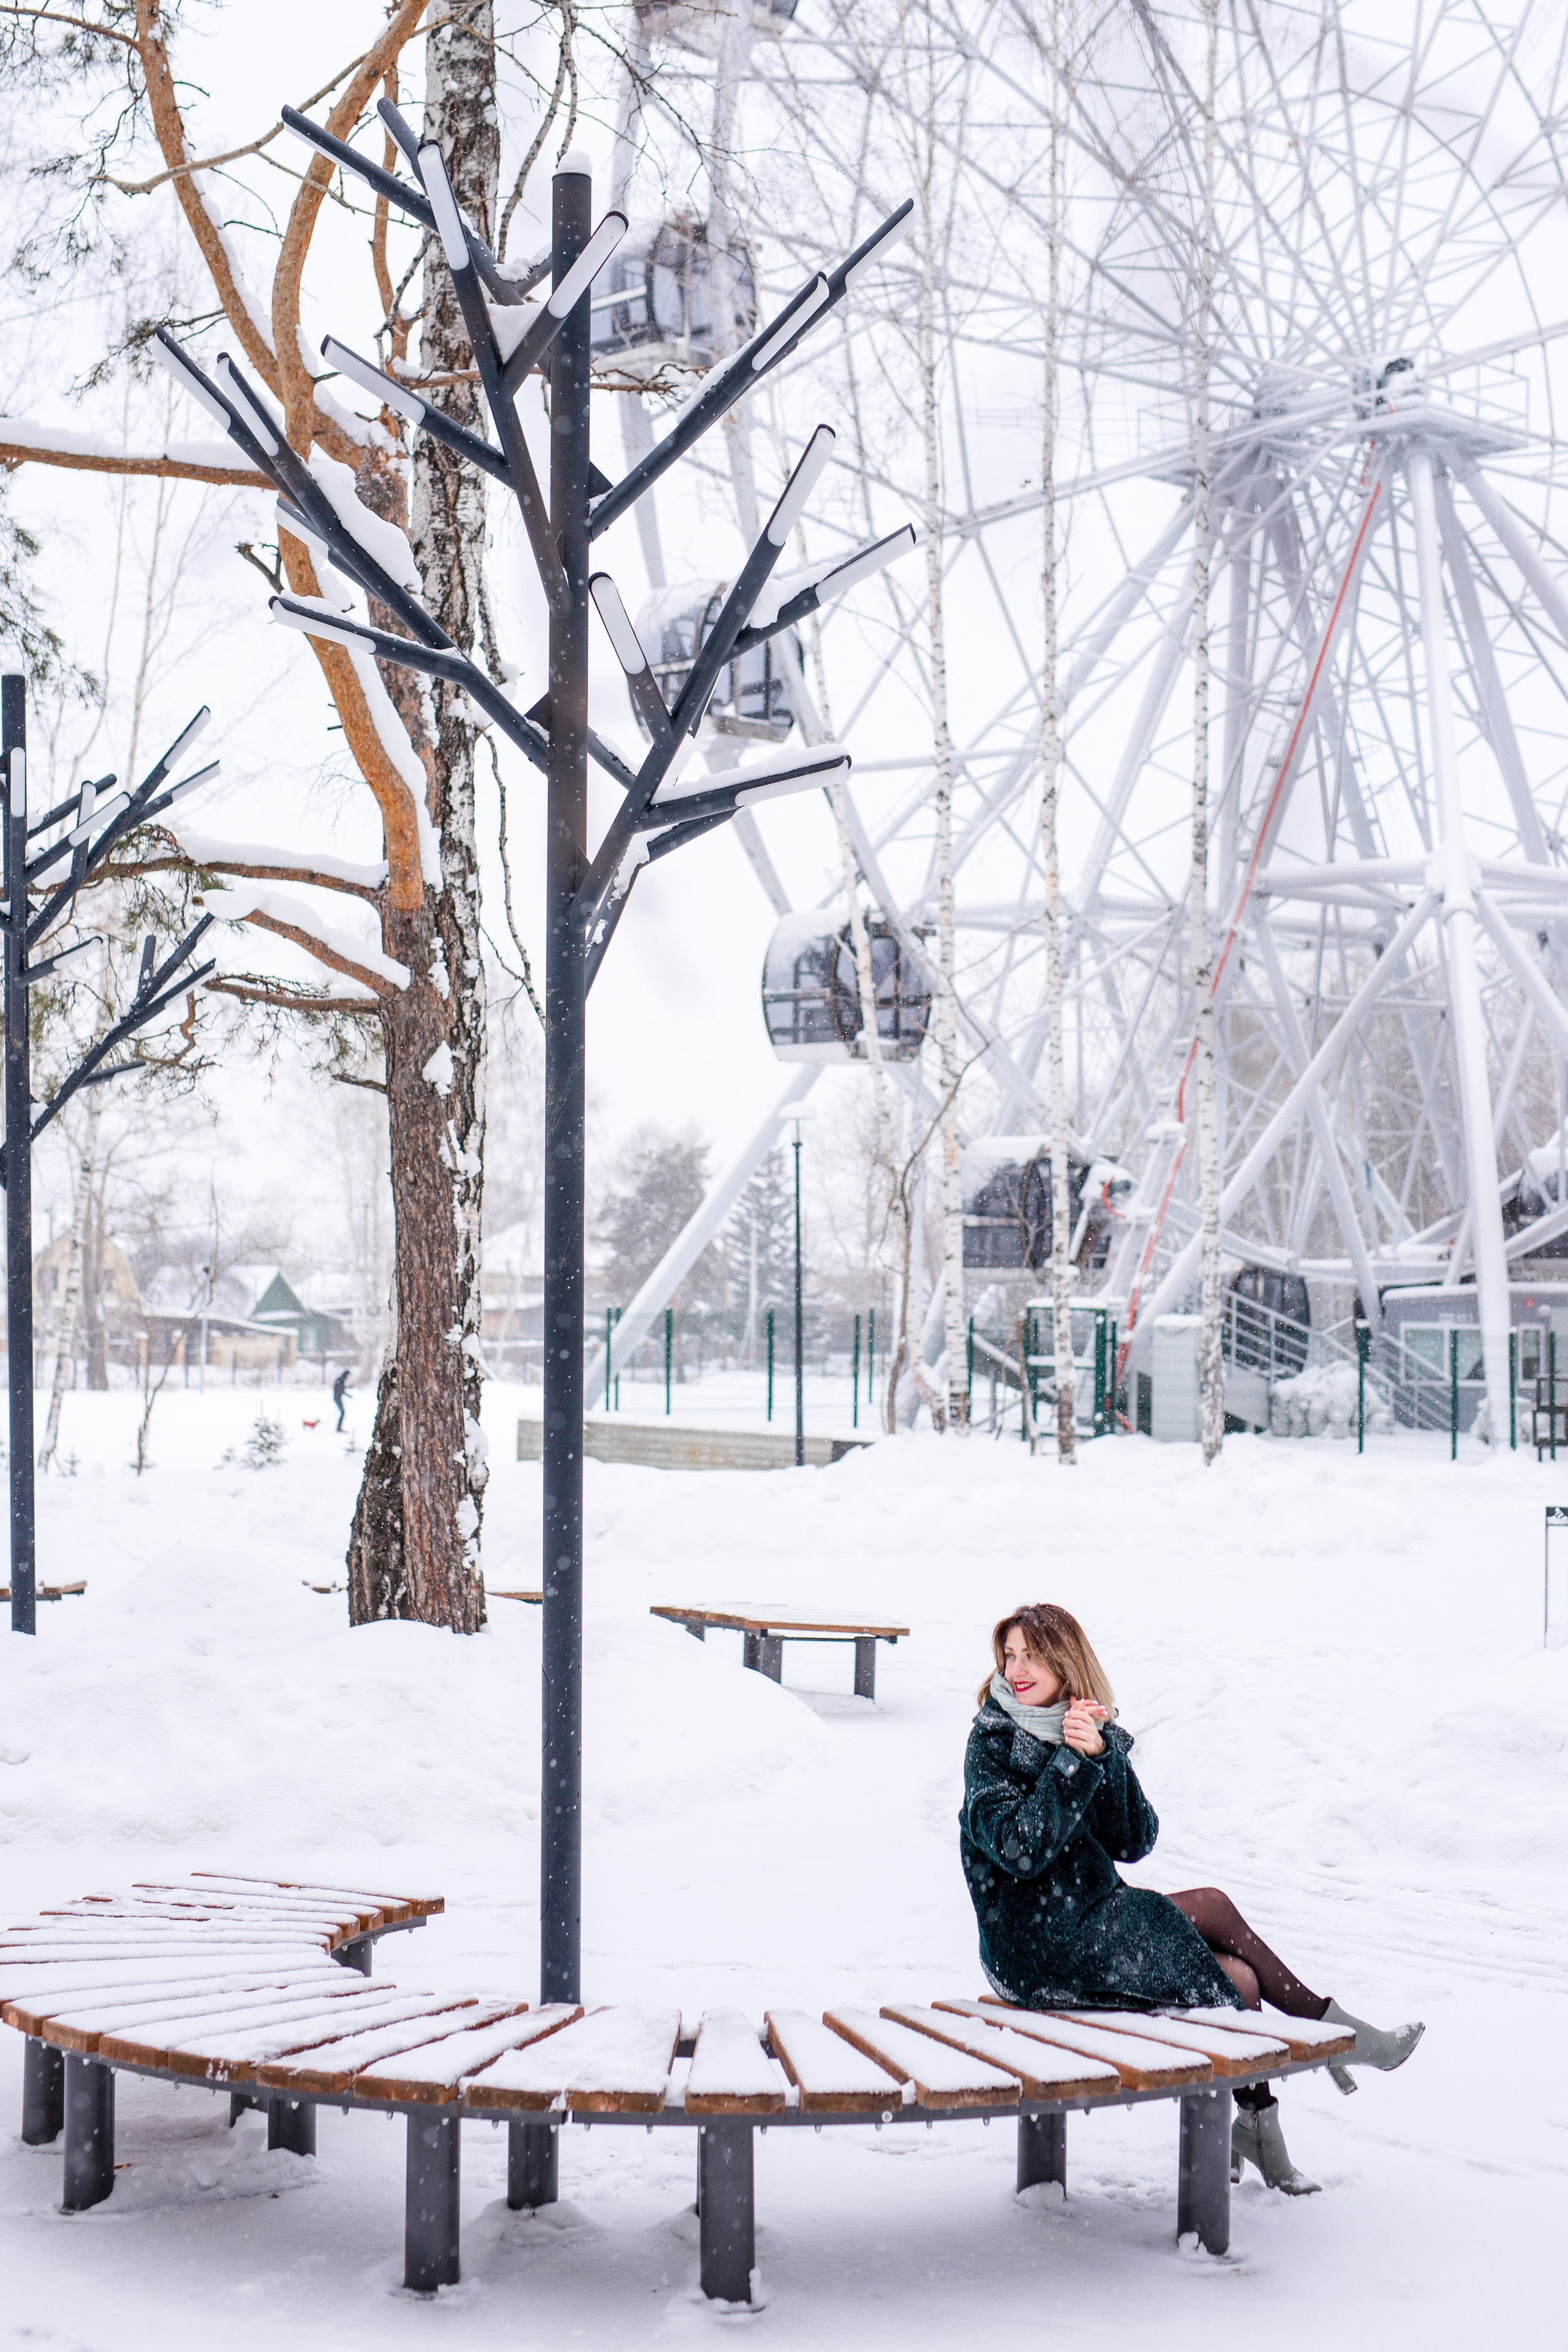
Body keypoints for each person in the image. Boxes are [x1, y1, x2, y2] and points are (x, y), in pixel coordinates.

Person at [960, 1602, 1423, 2196]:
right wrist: (1072, 1763)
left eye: (1032, 1654)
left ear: (1066, 1664)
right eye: (1010, 1654)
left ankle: (1259, 2119)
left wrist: (1102, 1757)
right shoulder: (992, 1741)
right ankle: (1328, 2034)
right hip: (1033, 1947)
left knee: (1240, 1980)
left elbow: (1134, 1841)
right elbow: (1020, 1850)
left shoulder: (1081, 1731)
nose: (1017, 1669)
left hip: (1092, 1923)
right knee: (1211, 1906)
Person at [332, 1367, 352, 1432]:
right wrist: (347, 1395)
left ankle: (339, 1427)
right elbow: (341, 1390)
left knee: (342, 1412)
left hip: (337, 1398)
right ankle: (339, 1427)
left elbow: (340, 1389)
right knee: (343, 1412)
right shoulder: (341, 1380)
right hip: (337, 1398)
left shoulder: (340, 1380)